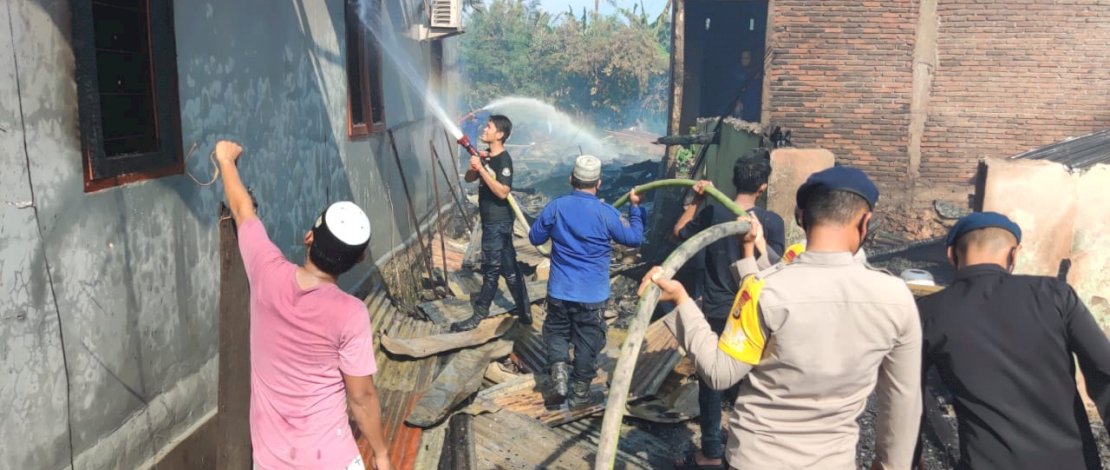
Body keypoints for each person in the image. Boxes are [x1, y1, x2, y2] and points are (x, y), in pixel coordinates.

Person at [644, 166, 921, 470]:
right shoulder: (897, 299)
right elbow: (903, 401)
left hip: (756, 459)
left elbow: (719, 372)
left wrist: (682, 301)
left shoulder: (764, 291)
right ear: (865, 222)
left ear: (801, 218)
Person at [214, 141, 391, 470]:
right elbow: (361, 397)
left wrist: (225, 159)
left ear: (309, 237)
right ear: (359, 259)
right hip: (331, 459)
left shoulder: (266, 272)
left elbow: (242, 211)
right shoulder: (350, 313)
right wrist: (380, 454)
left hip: (273, 461)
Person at [916, 212, 1110, 470]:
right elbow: (1105, 371)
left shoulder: (928, 312)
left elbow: (907, 398)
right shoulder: (1055, 295)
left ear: (951, 254)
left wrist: (907, 458)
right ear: (1014, 254)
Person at [670, 151, 785, 469]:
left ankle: (710, 451)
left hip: (719, 311)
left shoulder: (713, 214)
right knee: (754, 385)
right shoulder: (772, 222)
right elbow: (778, 267)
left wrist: (694, 200)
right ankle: (750, 451)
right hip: (756, 315)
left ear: (734, 181)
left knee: (711, 382)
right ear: (762, 187)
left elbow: (678, 234)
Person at [529, 155, 645, 407]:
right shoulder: (607, 213)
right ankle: (580, 394)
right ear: (599, 183)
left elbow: (535, 237)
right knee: (587, 340)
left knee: (557, 331)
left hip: (560, 290)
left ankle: (559, 374)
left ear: (571, 179)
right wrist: (636, 209)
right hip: (592, 295)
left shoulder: (556, 207)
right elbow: (634, 238)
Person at [452, 115, 531, 332]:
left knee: (491, 268)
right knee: (511, 269)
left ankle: (479, 313)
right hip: (493, 222)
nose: (484, 130)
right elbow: (469, 179)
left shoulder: (504, 160)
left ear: (500, 135)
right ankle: (525, 312)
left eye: (488, 127)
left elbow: (503, 191)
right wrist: (476, 165)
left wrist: (484, 170)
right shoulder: (488, 158)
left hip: (498, 223)